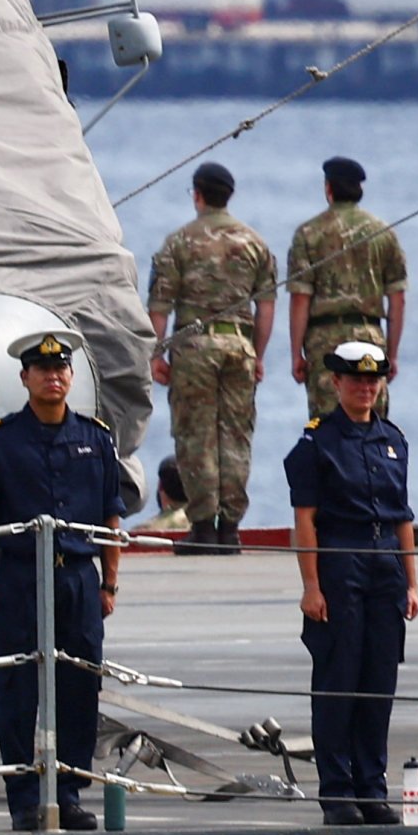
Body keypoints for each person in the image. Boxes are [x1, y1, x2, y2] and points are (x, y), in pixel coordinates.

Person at [0, 327, 128, 834]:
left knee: (81, 687)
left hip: (79, 581)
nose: (53, 377)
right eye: (43, 370)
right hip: (20, 580)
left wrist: (110, 584)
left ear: (71, 376)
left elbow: (111, 518)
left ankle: (69, 791)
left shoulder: (96, 438)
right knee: (18, 689)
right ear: (25, 378)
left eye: (61, 369)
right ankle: (23, 798)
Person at [286, 338, 416, 826]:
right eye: (356, 379)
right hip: (340, 561)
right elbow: (305, 520)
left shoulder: (393, 440)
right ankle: (338, 791)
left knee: (378, 681)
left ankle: (371, 787)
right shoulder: (317, 441)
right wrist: (311, 585)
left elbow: (403, 515)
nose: (365, 387)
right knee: (339, 680)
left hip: (386, 565)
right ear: (336, 382)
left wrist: (412, 582)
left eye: (372, 379)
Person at [148, 163, 278, 552]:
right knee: (235, 437)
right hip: (239, 345)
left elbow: (159, 306)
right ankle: (232, 527)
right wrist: (257, 353)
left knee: (195, 436)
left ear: (197, 195)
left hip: (194, 348)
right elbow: (266, 307)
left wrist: (157, 353)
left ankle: (203, 525)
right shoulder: (254, 243)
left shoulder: (178, 243)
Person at [287, 156, 408, 422]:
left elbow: (300, 299)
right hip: (371, 335)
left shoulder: (308, 233)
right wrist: (393, 354)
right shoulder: (383, 232)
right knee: (373, 422)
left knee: (327, 424)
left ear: (328, 189)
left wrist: (296, 353)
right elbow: (397, 300)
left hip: (324, 341)